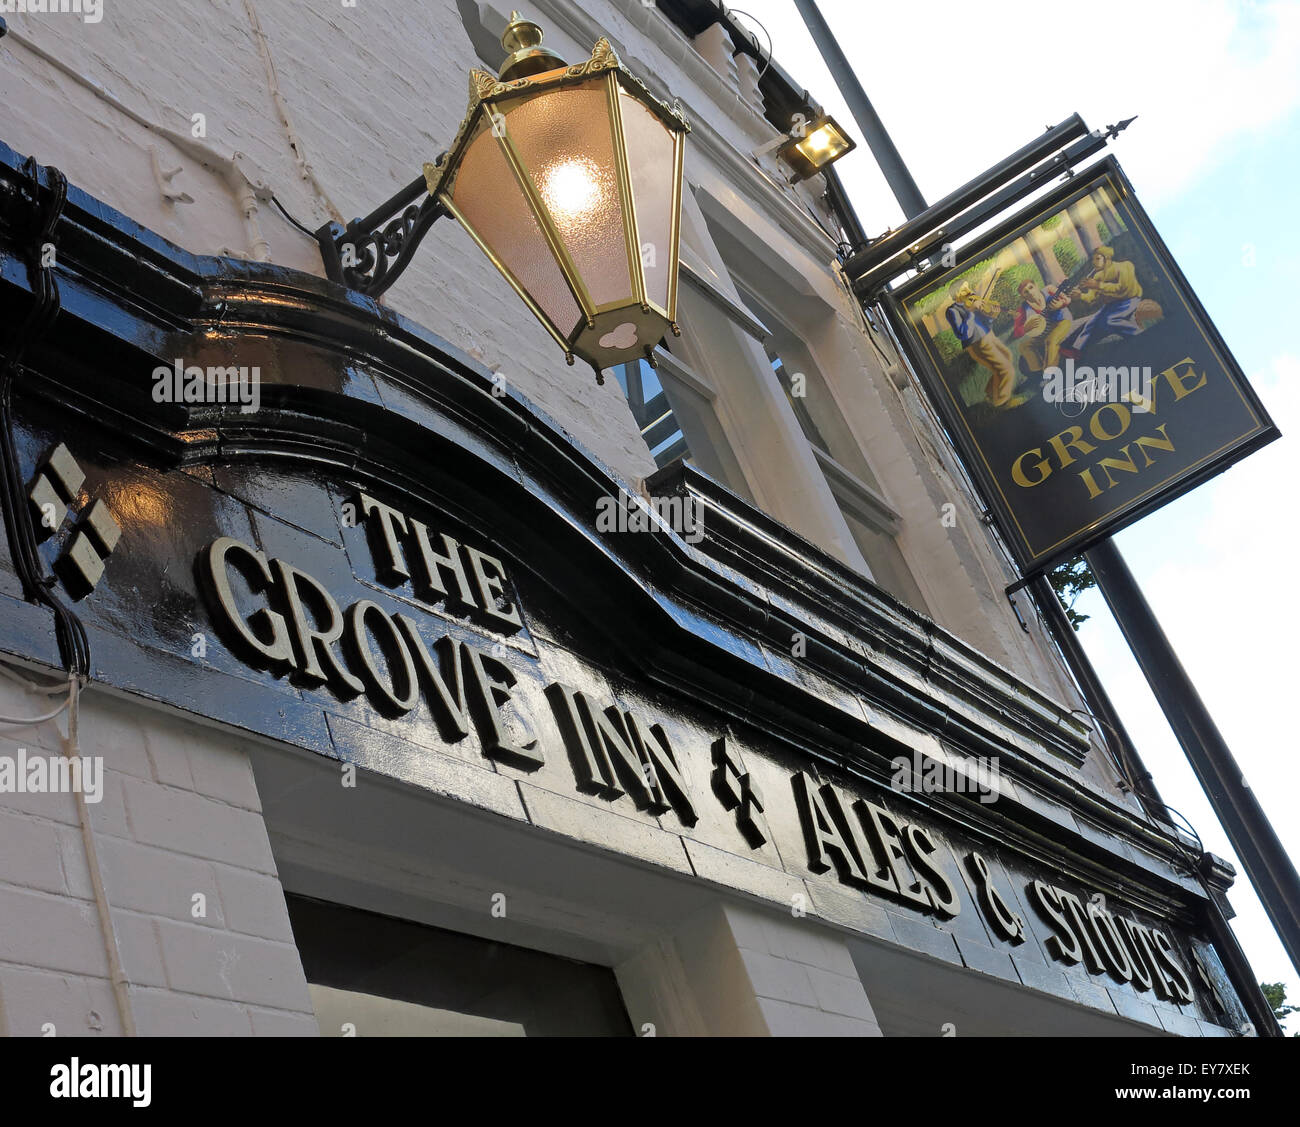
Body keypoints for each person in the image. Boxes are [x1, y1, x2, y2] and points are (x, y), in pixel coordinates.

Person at [945, 278, 1025, 409]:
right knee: (1006, 370)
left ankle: (990, 396)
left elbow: (985, 323)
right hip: (977, 343)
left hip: (989, 335)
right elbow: (962, 334)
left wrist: (990, 316)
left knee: (1008, 357)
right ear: (956, 294)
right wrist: (970, 312)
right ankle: (1002, 402)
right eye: (964, 290)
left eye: (968, 287)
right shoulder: (953, 311)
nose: (969, 291)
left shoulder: (972, 303)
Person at [1061, 245, 1143, 354]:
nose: (1094, 262)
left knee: (1110, 320)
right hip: (1112, 304)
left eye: (1098, 258)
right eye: (1093, 259)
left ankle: (1139, 335)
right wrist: (1080, 295)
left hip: (1129, 299)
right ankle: (1075, 351)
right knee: (1091, 323)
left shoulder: (1124, 266)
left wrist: (1098, 285)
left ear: (1107, 258)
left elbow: (1123, 288)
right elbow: (1092, 298)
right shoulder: (1098, 276)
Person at [1012, 278, 1072, 375]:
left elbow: (1068, 300)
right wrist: (1025, 328)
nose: (1030, 292)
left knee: (1051, 340)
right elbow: (1017, 332)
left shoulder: (1049, 290)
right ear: (1023, 297)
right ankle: (1038, 372)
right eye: (1026, 292)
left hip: (1062, 321)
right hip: (1044, 331)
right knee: (1024, 346)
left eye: (1031, 288)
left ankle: (1049, 374)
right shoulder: (1023, 309)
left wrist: (1061, 304)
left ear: (1036, 286)